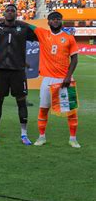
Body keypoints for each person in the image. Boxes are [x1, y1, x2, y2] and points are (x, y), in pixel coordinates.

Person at [0, 4, 38, 145]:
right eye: (8, 11)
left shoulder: (23, 28)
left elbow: (40, 35)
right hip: (1, 71)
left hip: (18, 71)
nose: (10, 12)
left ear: (16, 14)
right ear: (4, 13)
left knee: (21, 102)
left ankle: (24, 135)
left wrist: (24, 22)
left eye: (13, 11)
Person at [32, 11, 80, 148]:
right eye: (52, 19)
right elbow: (29, 27)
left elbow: (75, 59)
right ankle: (41, 137)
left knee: (71, 111)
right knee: (43, 108)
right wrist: (13, 21)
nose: (55, 21)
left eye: (58, 19)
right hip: (47, 79)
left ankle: (73, 139)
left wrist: (68, 77)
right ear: (48, 22)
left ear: (61, 21)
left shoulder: (69, 38)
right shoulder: (43, 34)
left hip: (64, 80)